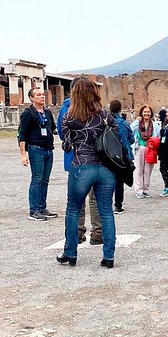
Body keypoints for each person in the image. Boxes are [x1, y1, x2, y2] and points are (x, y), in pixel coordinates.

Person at [58, 78, 118, 268]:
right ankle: (108, 257)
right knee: (106, 211)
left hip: (82, 166)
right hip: (105, 167)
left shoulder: (69, 117)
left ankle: (71, 253)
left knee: (73, 209)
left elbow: (67, 146)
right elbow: (116, 136)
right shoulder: (105, 115)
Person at [57, 76, 101, 243]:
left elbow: (64, 137)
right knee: (91, 199)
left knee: (78, 201)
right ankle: (94, 233)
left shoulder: (67, 111)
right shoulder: (96, 110)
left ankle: (81, 233)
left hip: (76, 160)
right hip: (91, 160)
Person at [18, 86, 58, 221]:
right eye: (39, 95)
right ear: (31, 98)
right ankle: (34, 210)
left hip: (48, 149)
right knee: (37, 179)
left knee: (45, 180)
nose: (42, 96)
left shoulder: (47, 112)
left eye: (43, 94)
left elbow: (52, 129)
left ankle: (42, 207)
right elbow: (22, 134)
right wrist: (23, 154)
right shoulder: (28, 113)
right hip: (36, 149)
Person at [109, 100, 135, 213]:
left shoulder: (106, 122)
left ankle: (106, 204)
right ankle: (118, 206)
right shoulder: (123, 123)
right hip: (122, 155)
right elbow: (132, 139)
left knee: (108, 180)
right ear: (120, 109)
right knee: (119, 181)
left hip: (109, 154)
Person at [131, 104, 161, 198]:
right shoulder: (138, 124)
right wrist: (136, 121)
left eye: (148, 112)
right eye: (145, 112)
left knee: (148, 170)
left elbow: (158, 136)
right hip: (139, 148)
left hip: (150, 149)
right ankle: (138, 190)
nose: (146, 113)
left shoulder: (155, 125)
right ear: (141, 113)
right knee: (138, 170)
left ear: (151, 113)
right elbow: (130, 130)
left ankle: (145, 189)